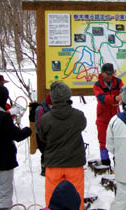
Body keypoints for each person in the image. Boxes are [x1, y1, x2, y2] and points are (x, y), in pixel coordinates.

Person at [0, 82, 32, 210]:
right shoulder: (4, 117)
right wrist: (27, 130)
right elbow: (17, 135)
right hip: (5, 161)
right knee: (5, 190)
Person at [39, 81, 86, 210]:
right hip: (74, 162)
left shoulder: (46, 118)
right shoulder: (79, 116)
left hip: (53, 163)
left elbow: (42, 137)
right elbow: (82, 127)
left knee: (52, 197)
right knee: (76, 197)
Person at [93, 63, 123, 165]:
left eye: (111, 74)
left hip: (116, 114)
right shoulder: (97, 85)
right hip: (103, 115)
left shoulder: (118, 82)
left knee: (117, 138)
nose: (109, 76)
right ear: (102, 73)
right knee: (103, 139)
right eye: (107, 74)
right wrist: (115, 98)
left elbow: (123, 91)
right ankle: (105, 161)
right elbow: (101, 98)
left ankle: (118, 159)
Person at [35, 93, 52, 176]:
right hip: (42, 135)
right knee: (45, 152)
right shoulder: (40, 109)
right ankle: (44, 168)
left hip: (50, 134)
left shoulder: (50, 108)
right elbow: (39, 125)